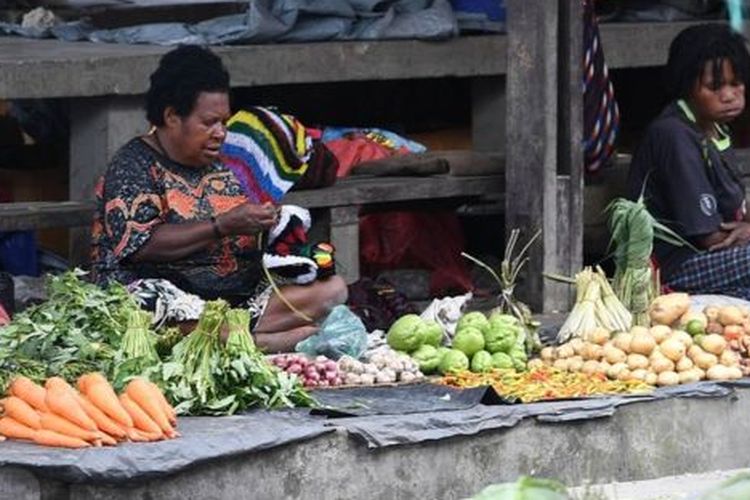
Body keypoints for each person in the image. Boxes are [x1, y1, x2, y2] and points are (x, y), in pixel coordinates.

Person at [91, 45, 347, 352]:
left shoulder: (227, 160)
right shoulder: (133, 165)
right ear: (172, 116)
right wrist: (222, 225)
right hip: (166, 296)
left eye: (224, 122)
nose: (220, 133)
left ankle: (232, 338)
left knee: (332, 289)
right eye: (209, 122)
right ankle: (259, 341)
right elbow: (142, 245)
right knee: (141, 302)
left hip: (237, 303)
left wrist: (270, 224)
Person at [627, 24, 750, 299]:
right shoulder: (674, 135)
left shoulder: (714, 128)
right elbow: (712, 239)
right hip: (678, 266)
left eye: (736, 83)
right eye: (714, 86)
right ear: (687, 85)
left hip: (720, 259)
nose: (729, 95)